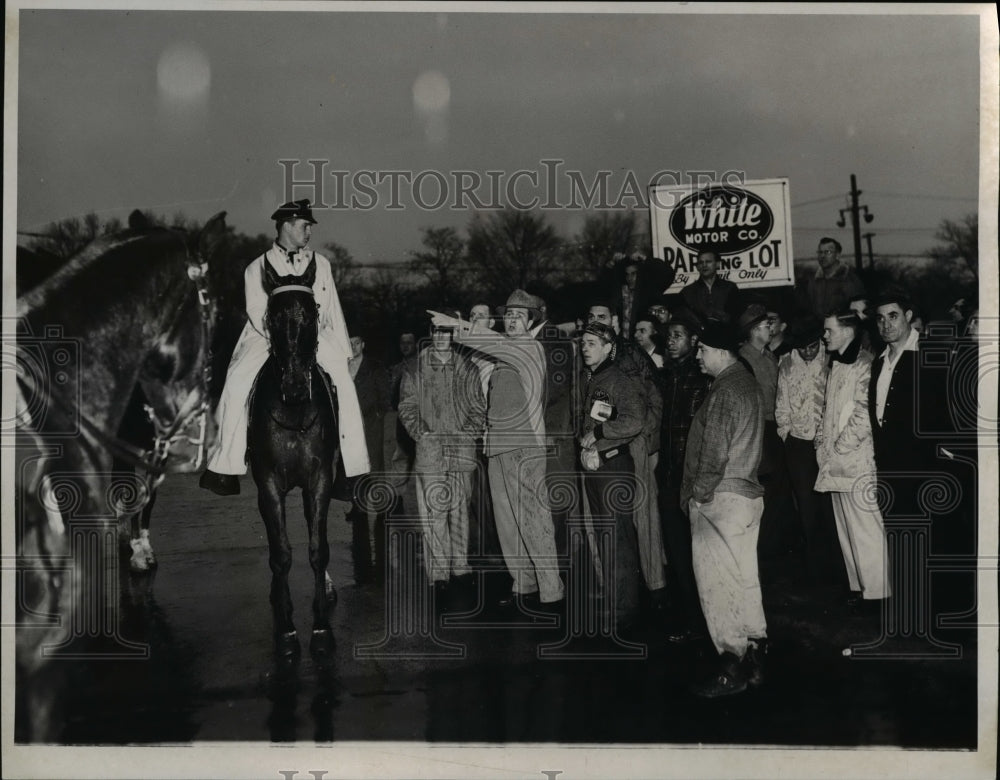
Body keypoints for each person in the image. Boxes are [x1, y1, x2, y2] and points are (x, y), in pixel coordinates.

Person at [200, 199, 369, 496]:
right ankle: (225, 466)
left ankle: (349, 469)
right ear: (287, 225)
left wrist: (343, 352)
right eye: (305, 226)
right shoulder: (257, 267)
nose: (309, 233)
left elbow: (332, 310)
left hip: (314, 335)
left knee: (343, 382)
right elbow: (256, 311)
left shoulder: (322, 263)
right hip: (267, 335)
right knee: (237, 382)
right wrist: (282, 336)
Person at [430, 291, 564, 609]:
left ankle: (552, 592)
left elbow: (491, 344)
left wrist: (454, 323)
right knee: (507, 523)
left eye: (520, 315)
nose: (513, 320)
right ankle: (525, 585)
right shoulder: (504, 354)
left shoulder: (529, 348)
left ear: (531, 321)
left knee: (534, 520)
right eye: (510, 315)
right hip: (498, 447)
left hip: (524, 447)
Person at [681, 320, 766, 697]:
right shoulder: (746, 383)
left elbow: (713, 452)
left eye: (701, 350)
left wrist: (698, 496)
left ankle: (731, 668)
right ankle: (755, 658)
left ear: (718, 352)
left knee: (717, 587)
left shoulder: (724, 389)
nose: (698, 356)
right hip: (748, 496)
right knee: (745, 580)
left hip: (721, 500)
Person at [397, 312, 485, 609]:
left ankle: (461, 569)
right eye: (436, 332)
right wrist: (420, 432)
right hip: (431, 452)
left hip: (461, 452)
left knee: (460, 513)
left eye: (447, 332)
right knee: (433, 515)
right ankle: (440, 577)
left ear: (454, 336)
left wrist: (469, 432)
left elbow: (478, 407)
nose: (441, 337)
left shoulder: (468, 368)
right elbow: (407, 405)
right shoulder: (416, 368)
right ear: (431, 334)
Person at [586, 301, 666, 607]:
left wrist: (650, 441)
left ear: (616, 322)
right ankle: (614, 588)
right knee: (607, 523)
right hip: (601, 447)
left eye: (602, 317)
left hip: (635, 441)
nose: (596, 321)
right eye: (591, 318)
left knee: (643, 516)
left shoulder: (632, 354)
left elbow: (654, 398)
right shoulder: (588, 354)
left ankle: (655, 586)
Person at [815, 310, 888, 609]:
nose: (825, 336)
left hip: (855, 459)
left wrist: (839, 446)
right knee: (846, 528)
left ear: (848, 332)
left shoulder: (864, 364)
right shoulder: (837, 364)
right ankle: (858, 587)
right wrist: (821, 443)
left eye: (829, 330)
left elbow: (864, 414)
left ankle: (879, 592)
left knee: (865, 528)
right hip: (834, 460)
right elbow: (829, 410)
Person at [577, 322, 646, 631]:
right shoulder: (593, 378)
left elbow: (635, 421)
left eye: (592, 343)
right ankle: (614, 602)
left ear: (608, 347)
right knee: (605, 536)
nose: (585, 347)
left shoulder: (619, 379)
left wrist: (601, 434)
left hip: (614, 468)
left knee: (617, 537)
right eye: (583, 342)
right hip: (597, 467)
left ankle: (624, 610)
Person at [774, 317, 841, 590]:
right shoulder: (787, 363)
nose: (809, 352)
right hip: (799, 444)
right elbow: (782, 403)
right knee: (807, 506)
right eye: (803, 348)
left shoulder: (832, 358)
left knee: (831, 506)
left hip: (828, 442)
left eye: (813, 346)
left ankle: (839, 568)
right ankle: (816, 570)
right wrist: (786, 434)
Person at [658, 310, 711, 643]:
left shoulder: (703, 378)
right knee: (677, 553)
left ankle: (705, 621)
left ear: (694, 341)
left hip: (690, 477)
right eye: (669, 335)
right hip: (667, 476)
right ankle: (689, 619)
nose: (671, 341)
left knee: (699, 554)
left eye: (678, 335)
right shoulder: (666, 376)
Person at [738, 303, 795, 572]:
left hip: (775, 429)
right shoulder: (744, 358)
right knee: (763, 492)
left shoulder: (768, 355)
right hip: (758, 430)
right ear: (752, 330)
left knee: (777, 493)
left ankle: (774, 554)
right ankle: (761, 558)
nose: (770, 328)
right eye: (764, 325)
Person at [346, 334, 391, 585]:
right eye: (349, 342)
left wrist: (376, 413)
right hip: (351, 426)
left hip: (371, 423)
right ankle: (358, 505)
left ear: (363, 344)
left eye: (356, 342)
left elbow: (385, 396)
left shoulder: (374, 366)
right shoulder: (343, 365)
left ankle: (381, 505)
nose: (352, 346)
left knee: (375, 465)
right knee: (354, 465)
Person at [801, 238, 866, 318]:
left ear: (837, 255)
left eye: (827, 252)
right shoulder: (812, 281)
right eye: (820, 252)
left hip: (842, 327)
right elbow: (806, 311)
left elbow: (858, 314)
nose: (822, 256)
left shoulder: (850, 280)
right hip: (817, 329)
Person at [679, 249, 742, 324]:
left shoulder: (730, 288)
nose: (704, 265)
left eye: (708, 262)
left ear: (718, 264)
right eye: (701, 262)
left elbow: (737, 317)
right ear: (697, 267)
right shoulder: (687, 292)